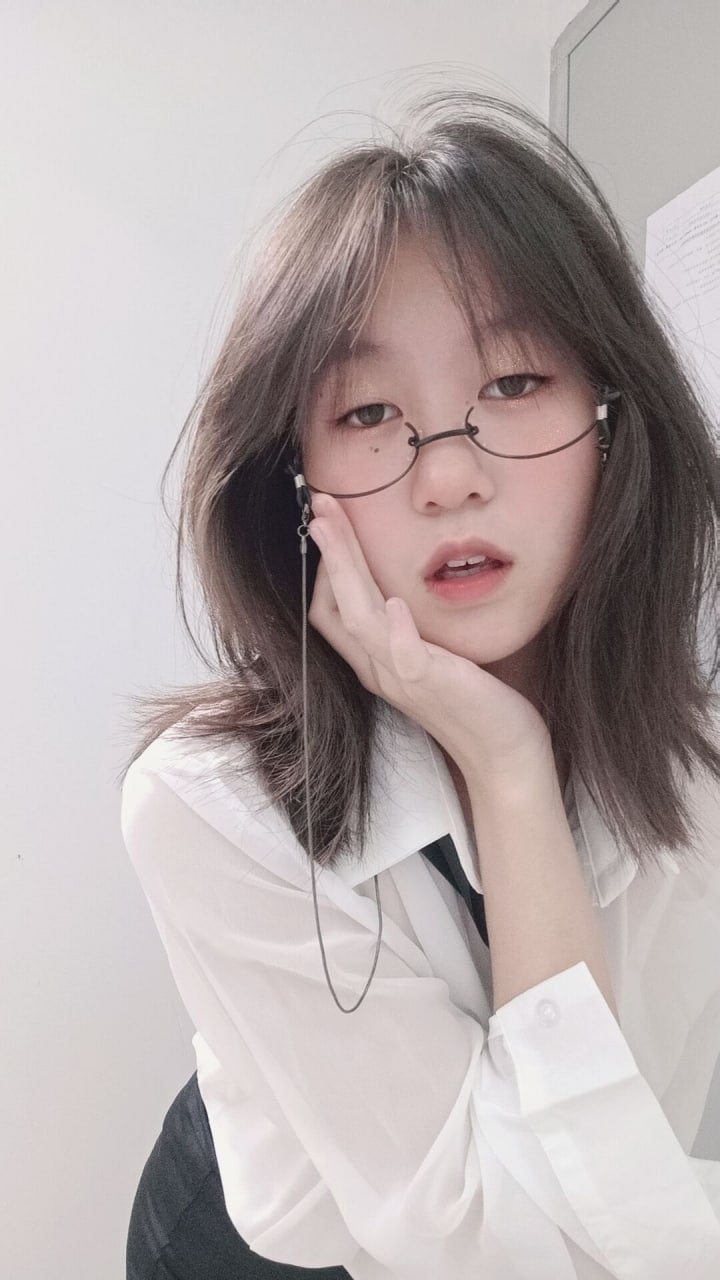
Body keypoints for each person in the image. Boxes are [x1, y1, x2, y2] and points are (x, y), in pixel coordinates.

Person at [119, 88, 720, 1279]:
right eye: (370, 411)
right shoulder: (206, 801)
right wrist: (507, 760)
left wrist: (513, 766)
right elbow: (513, 1248)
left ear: (614, 422)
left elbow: (614, 1186)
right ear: (298, 482)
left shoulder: (691, 758)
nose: (449, 477)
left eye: (514, 384)